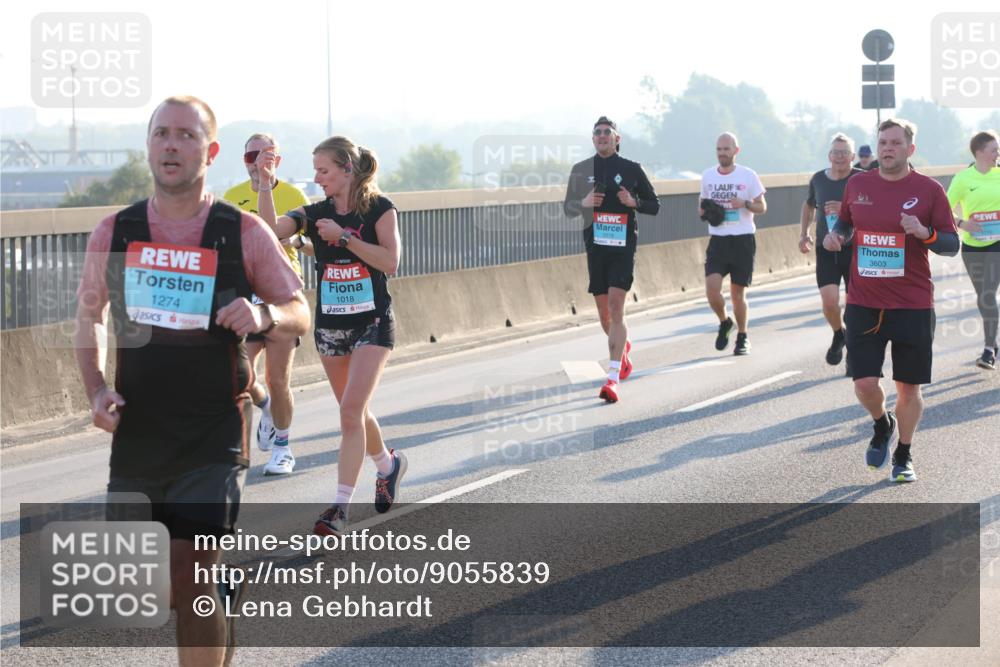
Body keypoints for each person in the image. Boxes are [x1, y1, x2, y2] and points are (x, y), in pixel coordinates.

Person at [74, 96, 310, 666]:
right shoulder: (117, 230)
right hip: (140, 427)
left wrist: (263, 315)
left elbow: (299, 310)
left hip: (214, 429)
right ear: (148, 145)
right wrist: (97, 390)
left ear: (211, 151)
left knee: (191, 570)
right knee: (155, 586)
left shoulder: (242, 230)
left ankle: (209, 591)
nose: (171, 144)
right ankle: (220, 596)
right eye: (161, 133)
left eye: (185, 134)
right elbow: (89, 316)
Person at [255, 136, 405, 535]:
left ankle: (339, 510)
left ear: (347, 170)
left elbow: (390, 262)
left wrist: (345, 238)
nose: (318, 178)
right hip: (331, 326)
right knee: (355, 411)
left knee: (350, 413)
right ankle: (388, 465)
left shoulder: (380, 209)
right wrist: (266, 185)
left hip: (372, 323)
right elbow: (270, 233)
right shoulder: (314, 212)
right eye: (316, 171)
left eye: (324, 171)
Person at [823, 118, 959, 483]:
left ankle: (904, 453)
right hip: (864, 301)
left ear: (910, 149)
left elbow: (952, 244)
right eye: (883, 142)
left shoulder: (929, 190)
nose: (888, 148)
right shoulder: (858, 184)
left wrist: (925, 232)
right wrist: (837, 237)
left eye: (896, 143)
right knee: (864, 384)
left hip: (912, 303)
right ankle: (883, 424)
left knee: (908, 388)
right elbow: (845, 223)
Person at [223, 133, 312, 475]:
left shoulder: (294, 196)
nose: (258, 163)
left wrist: (296, 241)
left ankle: (283, 449)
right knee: (238, 373)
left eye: (266, 156)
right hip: (247, 295)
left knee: (278, 378)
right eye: (251, 157)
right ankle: (266, 406)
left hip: (282, 296)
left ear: (278, 160)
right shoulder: (231, 198)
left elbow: (317, 246)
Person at [563, 116, 659, 403]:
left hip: (622, 248)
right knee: (605, 316)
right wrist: (583, 203)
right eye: (598, 132)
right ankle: (622, 349)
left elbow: (654, 205)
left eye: (608, 132)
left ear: (617, 139)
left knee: (617, 308)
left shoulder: (632, 169)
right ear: (593, 139)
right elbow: (567, 209)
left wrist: (634, 203)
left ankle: (612, 379)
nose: (602, 136)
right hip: (596, 248)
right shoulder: (580, 170)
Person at [799, 133, 864, 371]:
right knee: (829, 302)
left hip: (855, 248)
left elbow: (874, 209)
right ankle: (839, 334)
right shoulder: (818, 179)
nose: (839, 157)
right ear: (829, 155)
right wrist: (804, 233)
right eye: (836, 152)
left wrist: (846, 208)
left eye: (844, 153)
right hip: (825, 248)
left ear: (852, 156)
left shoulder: (862, 179)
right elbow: (809, 206)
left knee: (855, 306)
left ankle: (855, 354)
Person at [700, 132, 767, 355]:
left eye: (726, 149)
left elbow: (762, 207)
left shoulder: (748, 175)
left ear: (736, 151)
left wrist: (744, 203)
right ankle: (725, 321)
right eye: (719, 149)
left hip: (742, 240)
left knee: (738, 294)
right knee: (712, 291)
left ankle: (743, 337)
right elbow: (702, 203)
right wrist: (706, 211)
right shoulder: (708, 176)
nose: (722, 153)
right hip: (718, 241)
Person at [946, 129, 1000, 370]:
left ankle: (988, 350)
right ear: (979, 152)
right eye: (994, 150)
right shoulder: (963, 179)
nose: (998, 153)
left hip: (998, 243)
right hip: (972, 246)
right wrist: (962, 223)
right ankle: (994, 340)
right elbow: (943, 209)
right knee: (983, 296)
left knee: (988, 293)